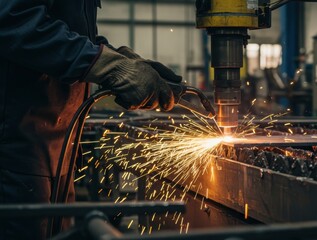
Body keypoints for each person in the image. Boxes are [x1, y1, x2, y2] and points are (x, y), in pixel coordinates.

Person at [0, 0, 181, 239]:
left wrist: (116, 57)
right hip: (16, 154)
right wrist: (106, 65)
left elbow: (67, 31)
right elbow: (12, 20)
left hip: (57, 155)